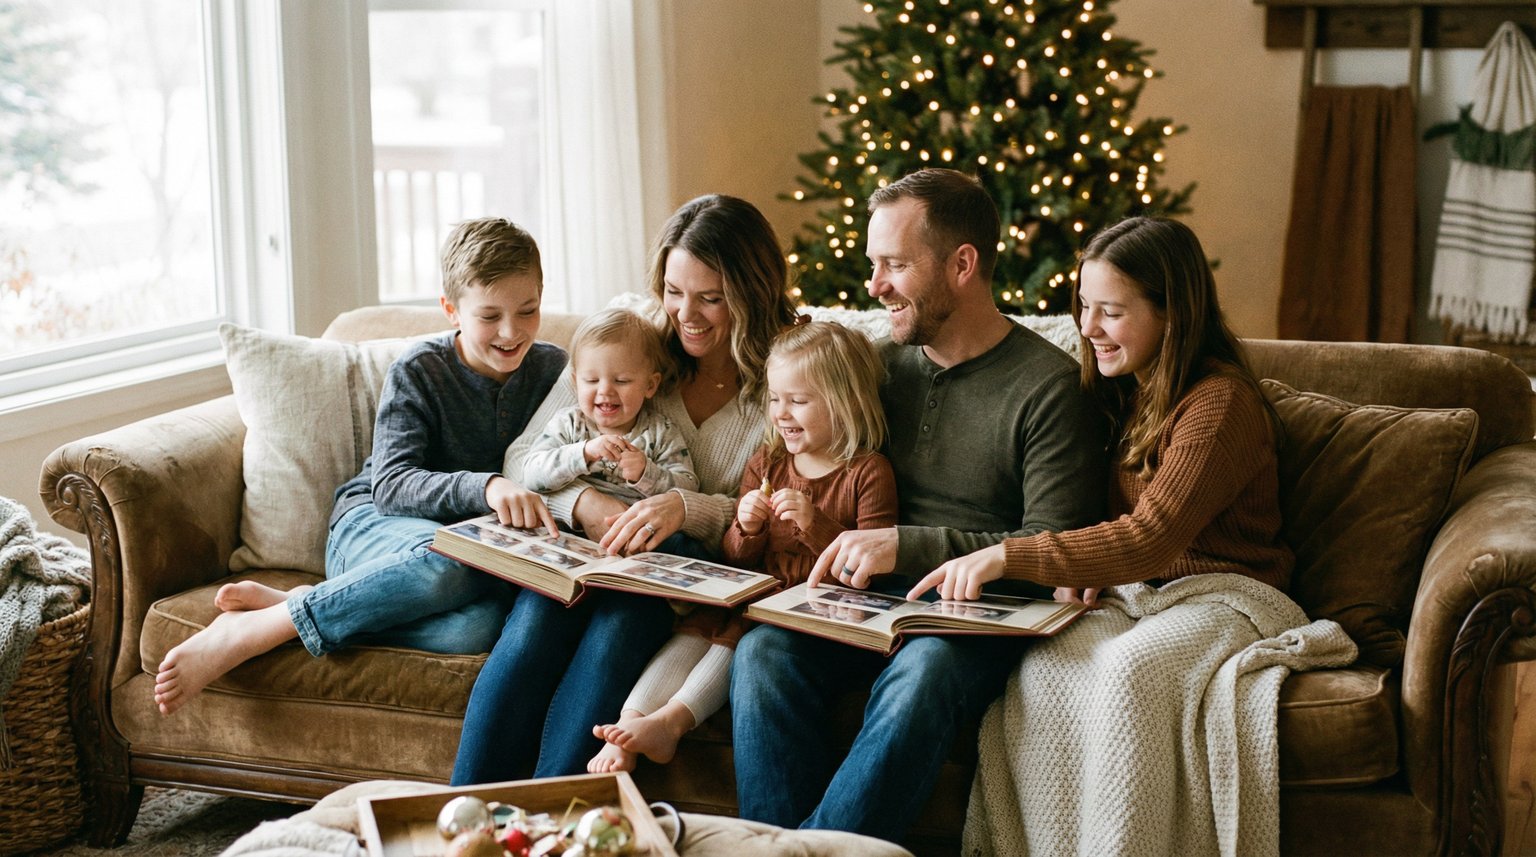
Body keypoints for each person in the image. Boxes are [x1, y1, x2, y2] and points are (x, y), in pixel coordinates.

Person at [729, 168, 1109, 842]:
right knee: (763, 653)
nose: (874, 287)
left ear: (962, 264)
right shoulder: (876, 367)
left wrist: (905, 544)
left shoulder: (1048, 386)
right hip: (863, 605)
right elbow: (785, 444)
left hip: (967, 621)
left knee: (924, 668)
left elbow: (1052, 544)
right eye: (874, 265)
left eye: (894, 265)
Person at [153, 217, 566, 716]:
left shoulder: (553, 369)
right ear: (451, 310)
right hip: (371, 525)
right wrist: (488, 488)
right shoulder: (420, 370)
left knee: (479, 626)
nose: (511, 332)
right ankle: (266, 626)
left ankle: (315, 601)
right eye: (489, 316)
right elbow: (391, 485)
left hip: (462, 559)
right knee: (455, 564)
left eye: (529, 311)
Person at [450, 194, 799, 784]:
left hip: (681, 572)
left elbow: (772, 509)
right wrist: (585, 502)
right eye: (674, 290)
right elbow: (522, 458)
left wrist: (683, 507)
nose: (686, 314)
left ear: (752, 291)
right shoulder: (631, 338)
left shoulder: (785, 377)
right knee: (531, 630)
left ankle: (556, 825)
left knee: (613, 639)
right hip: (584, 547)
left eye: (711, 298)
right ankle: (465, 824)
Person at [906, 215, 1292, 603]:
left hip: (1228, 593)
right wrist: (1091, 568)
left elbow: (1150, 538)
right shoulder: (1122, 391)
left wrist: (1004, 555)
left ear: (1172, 314)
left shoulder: (1219, 404)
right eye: (1085, 306)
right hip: (1142, 590)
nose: (1087, 328)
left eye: (1110, 312)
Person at [587, 321, 899, 774]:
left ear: (846, 402)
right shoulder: (768, 461)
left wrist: (815, 525)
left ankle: (671, 725)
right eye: (775, 399)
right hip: (755, 590)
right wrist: (748, 527)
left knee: (734, 639)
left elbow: (872, 573)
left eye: (798, 401)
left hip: (809, 611)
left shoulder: (868, 472)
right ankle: (629, 724)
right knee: (694, 628)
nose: (781, 414)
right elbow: (736, 556)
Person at [521, 307, 698, 518]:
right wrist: (582, 453)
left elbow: (688, 490)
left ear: (650, 385)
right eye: (592, 380)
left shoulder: (660, 432)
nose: (605, 390)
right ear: (576, 383)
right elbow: (531, 475)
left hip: (641, 531)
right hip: (573, 528)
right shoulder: (569, 424)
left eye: (621, 381)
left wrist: (646, 473)